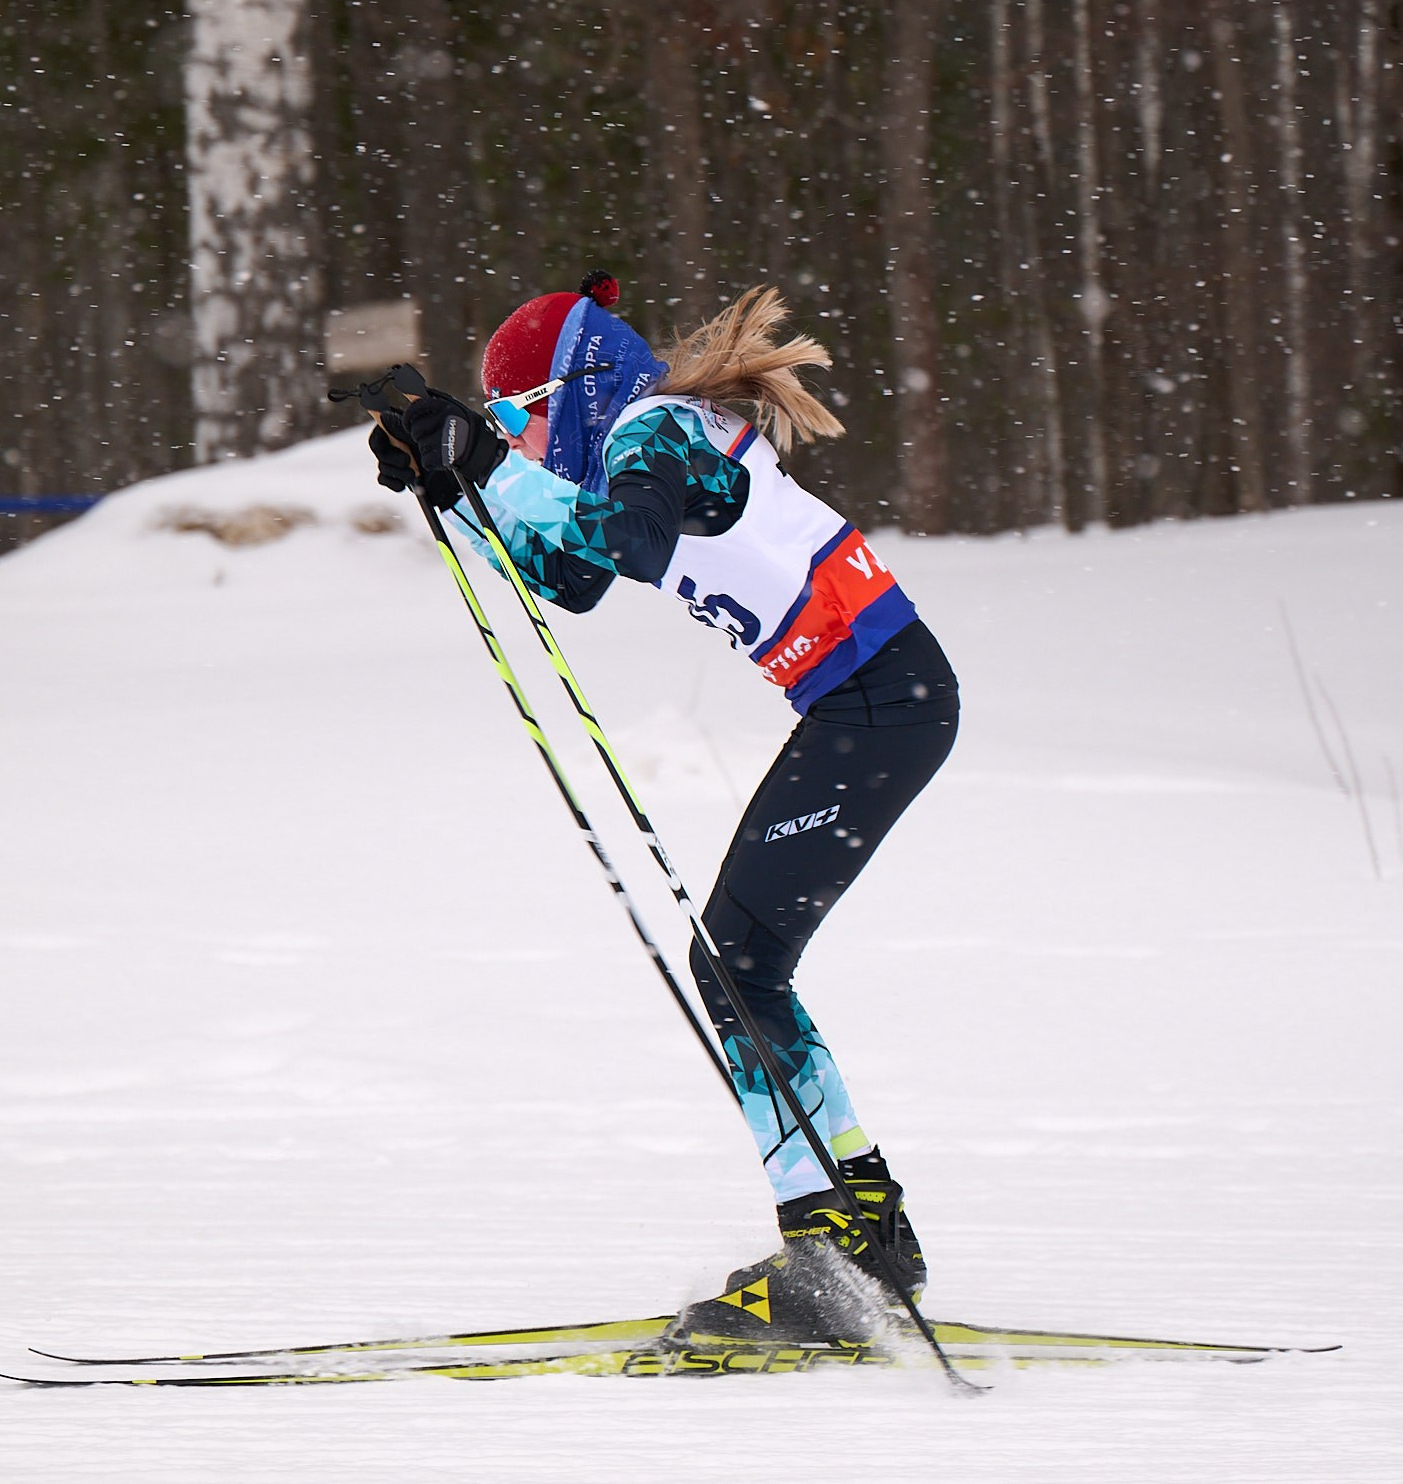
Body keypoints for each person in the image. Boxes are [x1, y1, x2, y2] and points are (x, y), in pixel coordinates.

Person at [368, 273, 960, 1343]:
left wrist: (483, 458)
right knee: (740, 963)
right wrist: (458, 481)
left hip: (878, 704)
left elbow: (620, 544)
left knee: (735, 963)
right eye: (510, 425)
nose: (528, 440)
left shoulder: (659, 430)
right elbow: (573, 574)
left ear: (578, 392)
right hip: (872, 703)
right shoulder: (651, 440)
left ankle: (844, 1242)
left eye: (525, 416)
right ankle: (861, 1233)